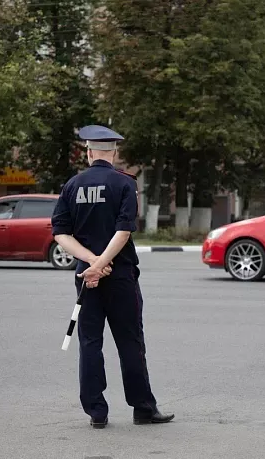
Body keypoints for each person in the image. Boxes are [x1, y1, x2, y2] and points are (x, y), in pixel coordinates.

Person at [50, 124, 175, 429]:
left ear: (88, 152)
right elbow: (124, 229)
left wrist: (91, 263)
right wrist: (104, 262)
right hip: (119, 276)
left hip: (86, 278)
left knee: (90, 342)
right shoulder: (124, 184)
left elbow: (60, 234)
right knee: (130, 342)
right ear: (115, 152)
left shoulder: (72, 186)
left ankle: (97, 412)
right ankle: (143, 409)